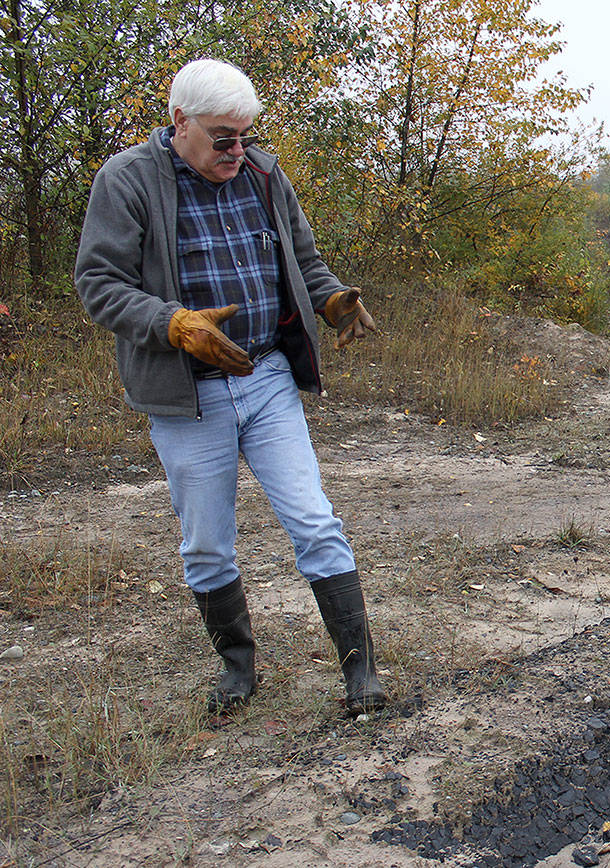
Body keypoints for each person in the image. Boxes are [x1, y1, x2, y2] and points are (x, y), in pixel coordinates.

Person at [75, 58, 386, 717]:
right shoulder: (126, 181)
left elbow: (301, 256)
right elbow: (98, 286)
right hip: (188, 395)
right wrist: (171, 323)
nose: (238, 151)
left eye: (245, 135)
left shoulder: (264, 174)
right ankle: (238, 668)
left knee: (314, 520)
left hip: (268, 378)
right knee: (208, 544)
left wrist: (329, 298)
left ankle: (360, 673)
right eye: (223, 138)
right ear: (179, 121)